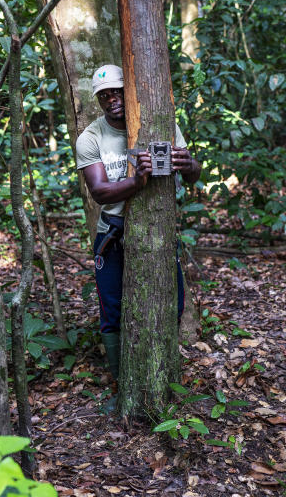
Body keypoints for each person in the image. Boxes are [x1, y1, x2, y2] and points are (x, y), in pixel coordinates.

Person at [74, 64, 201, 381]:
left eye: (117, 91)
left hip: (157, 230)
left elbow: (194, 175)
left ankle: (164, 372)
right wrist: (138, 181)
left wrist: (189, 164)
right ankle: (121, 382)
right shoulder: (91, 137)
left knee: (173, 301)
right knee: (113, 310)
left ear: (128, 90)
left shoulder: (160, 122)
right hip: (113, 233)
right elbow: (100, 191)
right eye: (104, 95)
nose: (111, 99)